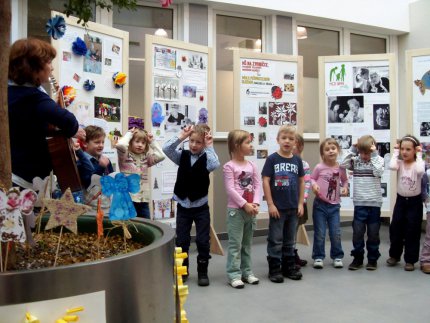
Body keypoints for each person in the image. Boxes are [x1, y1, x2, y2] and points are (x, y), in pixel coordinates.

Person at [8, 38, 85, 188]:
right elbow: (67, 119)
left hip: (12, 171)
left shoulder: (10, 91)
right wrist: (75, 130)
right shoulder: (34, 97)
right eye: (48, 62)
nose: (52, 68)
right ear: (33, 67)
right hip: (25, 179)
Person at [163, 124, 220, 286]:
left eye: (198, 142)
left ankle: (203, 271)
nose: (194, 145)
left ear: (204, 143)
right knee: (182, 241)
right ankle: (183, 271)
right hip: (183, 207)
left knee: (202, 241)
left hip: (201, 207)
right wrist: (181, 136)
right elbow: (166, 149)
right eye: (191, 141)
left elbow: (215, 164)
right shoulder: (182, 155)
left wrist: (209, 146)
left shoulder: (207, 158)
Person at [261, 125, 304, 283]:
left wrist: (300, 203)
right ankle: (274, 268)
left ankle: (289, 266)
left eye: (291, 139)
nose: (287, 141)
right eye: (284, 138)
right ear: (278, 140)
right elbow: (265, 180)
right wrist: (271, 204)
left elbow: (301, 181)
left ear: (295, 142)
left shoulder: (297, 160)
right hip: (278, 208)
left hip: (293, 208)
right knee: (276, 239)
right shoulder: (272, 159)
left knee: (289, 240)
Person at [340, 135, 384, 270]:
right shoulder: (356, 161)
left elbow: (378, 172)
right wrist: (353, 149)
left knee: (373, 233)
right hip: (360, 203)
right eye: (362, 152)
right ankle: (358, 258)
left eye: (368, 153)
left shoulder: (378, 160)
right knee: (358, 233)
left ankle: (372, 259)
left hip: (374, 204)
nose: (365, 156)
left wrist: (375, 153)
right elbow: (343, 164)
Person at [223, 130, 261, 288]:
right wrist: (244, 204)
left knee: (247, 244)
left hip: (251, 211)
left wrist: (256, 203)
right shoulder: (229, 166)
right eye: (248, 142)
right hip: (236, 212)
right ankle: (233, 274)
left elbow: (258, 185)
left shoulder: (252, 165)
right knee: (235, 245)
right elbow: (230, 189)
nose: (251, 145)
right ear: (237, 145)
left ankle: (247, 272)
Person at [387, 135, 425, 271]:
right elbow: (391, 166)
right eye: (402, 149)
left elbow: (421, 171)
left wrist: (420, 155)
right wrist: (395, 152)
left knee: (412, 230)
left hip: (415, 202)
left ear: (415, 150)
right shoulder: (399, 163)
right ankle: (395, 255)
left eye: (408, 149)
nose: (404, 152)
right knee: (395, 228)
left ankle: (410, 260)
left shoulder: (418, 164)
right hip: (401, 200)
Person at [311, 138, 348, 269]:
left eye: (333, 148)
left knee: (335, 232)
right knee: (320, 232)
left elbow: (345, 181)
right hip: (320, 205)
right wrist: (314, 186)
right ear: (322, 154)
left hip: (335, 206)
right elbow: (312, 179)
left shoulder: (341, 168)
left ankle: (337, 256)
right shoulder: (319, 167)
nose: (330, 151)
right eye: (327, 149)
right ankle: (318, 256)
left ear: (338, 150)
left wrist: (345, 188)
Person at [116, 128, 165, 219]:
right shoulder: (124, 156)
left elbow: (161, 156)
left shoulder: (146, 158)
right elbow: (120, 145)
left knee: (145, 227)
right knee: (130, 227)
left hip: (143, 200)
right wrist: (129, 134)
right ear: (130, 142)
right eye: (137, 141)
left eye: (143, 143)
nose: (140, 145)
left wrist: (152, 142)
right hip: (128, 199)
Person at [292, 134, 311, 267]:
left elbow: (307, 183)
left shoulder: (303, 164)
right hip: (285, 204)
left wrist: (302, 201)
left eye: (294, 143)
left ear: (300, 147)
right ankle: (284, 254)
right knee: (284, 231)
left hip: (298, 204)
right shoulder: (279, 161)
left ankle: (292, 253)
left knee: (294, 229)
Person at [420, 167, 430, 274]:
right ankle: (426, 259)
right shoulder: (427, 173)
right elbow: (423, 189)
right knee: (429, 236)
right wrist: (427, 201)